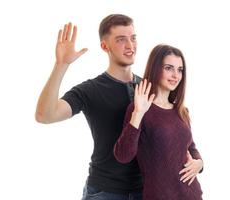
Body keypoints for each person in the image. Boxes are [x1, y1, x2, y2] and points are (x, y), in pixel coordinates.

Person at [35, 14, 144, 199]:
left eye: (133, 38)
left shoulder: (147, 87)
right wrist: (61, 65)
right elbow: (45, 115)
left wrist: (195, 159)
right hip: (105, 192)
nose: (130, 46)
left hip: (144, 191)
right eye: (121, 40)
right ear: (104, 46)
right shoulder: (91, 90)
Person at [114, 44, 204, 199]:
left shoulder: (181, 110)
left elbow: (190, 147)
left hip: (192, 194)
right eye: (169, 68)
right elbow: (123, 155)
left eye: (180, 70)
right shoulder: (139, 109)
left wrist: (199, 163)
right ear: (156, 68)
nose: (176, 75)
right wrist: (138, 113)